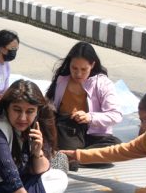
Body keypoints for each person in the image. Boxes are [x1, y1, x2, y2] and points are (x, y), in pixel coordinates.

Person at [45, 41, 122, 170]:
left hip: (95, 134)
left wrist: (90, 117)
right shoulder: (62, 80)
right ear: (69, 64)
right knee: (62, 134)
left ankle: (71, 157)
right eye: (74, 68)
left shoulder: (103, 83)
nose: (78, 74)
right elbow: (50, 106)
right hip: (68, 129)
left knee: (117, 148)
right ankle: (79, 156)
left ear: (92, 65)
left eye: (83, 69)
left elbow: (116, 115)